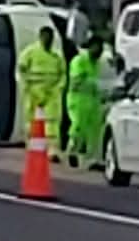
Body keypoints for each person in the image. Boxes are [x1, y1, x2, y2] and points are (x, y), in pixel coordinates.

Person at [16, 25, 66, 161]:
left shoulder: (57, 56)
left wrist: (56, 89)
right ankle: (33, 147)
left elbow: (62, 75)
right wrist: (27, 88)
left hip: (51, 93)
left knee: (52, 122)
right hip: (33, 92)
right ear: (40, 37)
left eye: (50, 38)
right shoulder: (30, 52)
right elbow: (21, 72)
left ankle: (52, 150)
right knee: (32, 121)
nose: (47, 40)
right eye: (45, 37)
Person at [66, 36, 108, 170]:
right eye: (97, 48)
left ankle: (92, 159)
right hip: (78, 100)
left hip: (93, 101)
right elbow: (77, 81)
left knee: (94, 131)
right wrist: (95, 85)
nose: (100, 52)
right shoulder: (79, 61)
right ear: (90, 47)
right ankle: (72, 151)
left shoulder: (97, 64)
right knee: (78, 127)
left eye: (101, 49)